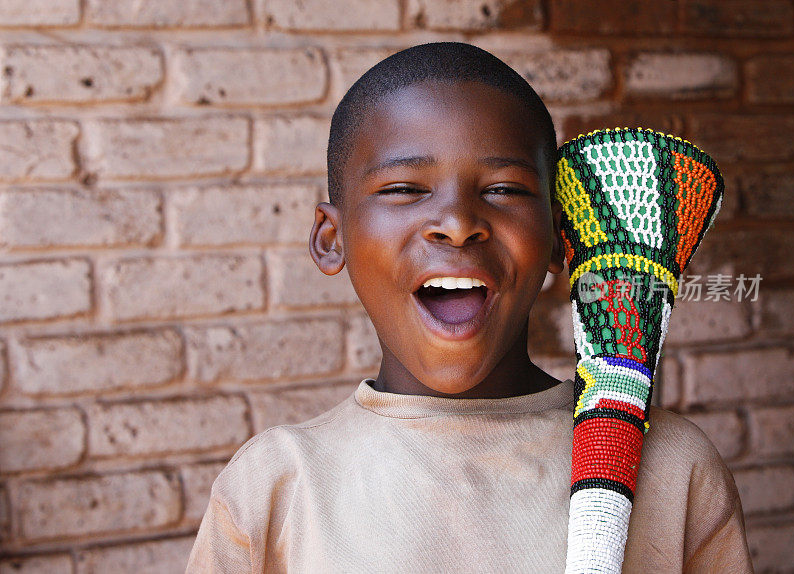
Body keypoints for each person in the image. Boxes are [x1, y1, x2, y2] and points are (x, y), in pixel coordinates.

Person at [186, 42, 752, 573]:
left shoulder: (674, 470)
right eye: (404, 188)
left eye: (504, 189)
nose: (457, 224)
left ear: (560, 240)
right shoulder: (275, 486)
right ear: (332, 238)